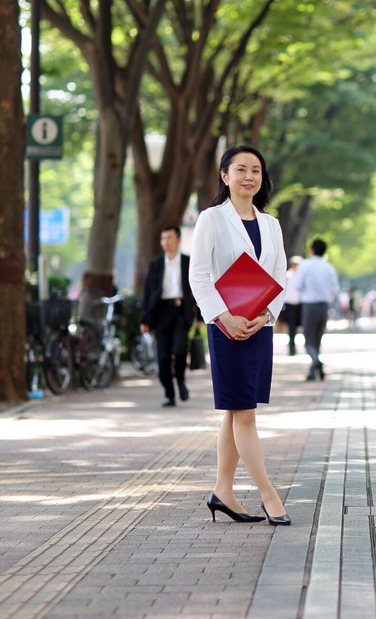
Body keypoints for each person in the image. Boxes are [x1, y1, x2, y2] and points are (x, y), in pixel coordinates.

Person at [189, 144, 290, 526]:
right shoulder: (212, 218)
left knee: (236, 411)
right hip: (226, 329)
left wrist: (265, 316)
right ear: (225, 176)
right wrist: (222, 316)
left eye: (256, 171)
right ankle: (269, 495)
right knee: (245, 414)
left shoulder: (271, 224)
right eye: (241, 169)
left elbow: (279, 274)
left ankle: (223, 492)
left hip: (259, 326)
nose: (249, 176)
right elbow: (199, 274)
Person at [141, 225, 199, 407]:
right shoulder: (156, 264)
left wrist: (200, 318)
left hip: (182, 312)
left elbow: (198, 290)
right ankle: (169, 393)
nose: (166, 242)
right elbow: (148, 292)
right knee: (163, 357)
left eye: (170, 238)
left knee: (180, 350)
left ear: (178, 240)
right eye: (163, 238)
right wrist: (145, 320)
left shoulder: (188, 262)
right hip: (161, 313)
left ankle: (180, 380)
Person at [289, 238, 339, 381]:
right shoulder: (329, 268)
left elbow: (297, 285)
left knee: (308, 340)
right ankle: (314, 371)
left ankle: (316, 361)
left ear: (311, 250)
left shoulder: (305, 265)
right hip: (324, 306)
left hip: (309, 306)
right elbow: (335, 288)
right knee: (317, 339)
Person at [283, 256, 303, 356]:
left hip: (300, 304)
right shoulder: (287, 276)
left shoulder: (301, 276)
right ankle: (292, 348)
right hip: (289, 305)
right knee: (291, 327)